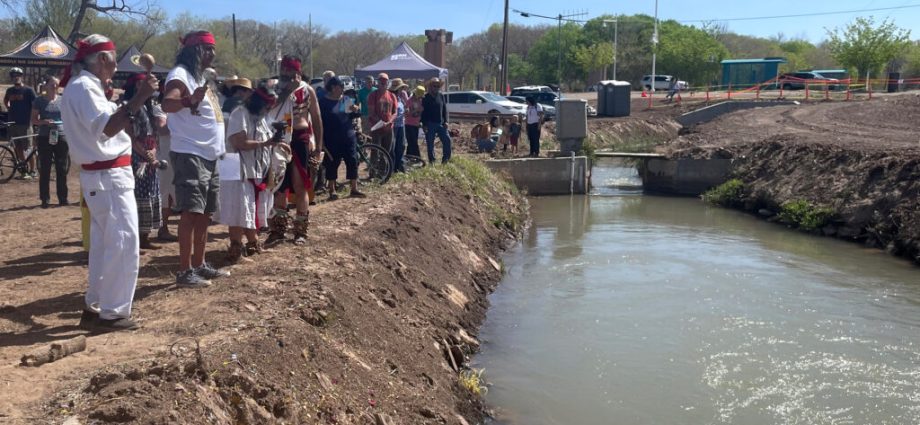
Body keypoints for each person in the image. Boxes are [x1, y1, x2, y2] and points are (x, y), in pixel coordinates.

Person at [60, 34, 159, 330]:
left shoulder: (82, 87)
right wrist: (140, 97)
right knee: (123, 243)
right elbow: (108, 128)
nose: (117, 63)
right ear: (103, 59)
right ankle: (113, 312)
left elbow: (107, 126)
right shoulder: (85, 88)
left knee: (106, 246)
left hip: (102, 176)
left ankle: (96, 306)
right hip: (108, 177)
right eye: (114, 57)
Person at [161, 30, 229, 287]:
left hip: (208, 154)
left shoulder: (198, 77)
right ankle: (184, 271)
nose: (212, 53)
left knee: (205, 212)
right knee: (190, 212)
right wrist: (189, 100)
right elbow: (168, 104)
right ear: (193, 50)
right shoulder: (179, 75)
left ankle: (200, 264)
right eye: (207, 48)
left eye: (213, 48)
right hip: (191, 152)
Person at [222, 85, 288, 263]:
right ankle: (235, 250)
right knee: (238, 209)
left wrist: (278, 144)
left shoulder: (263, 117)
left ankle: (253, 244)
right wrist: (265, 144)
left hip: (256, 170)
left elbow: (266, 140)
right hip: (237, 168)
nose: (268, 109)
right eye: (267, 105)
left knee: (249, 208)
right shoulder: (239, 113)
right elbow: (239, 142)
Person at [266, 55, 323, 246]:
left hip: (300, 138)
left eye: (290, 72)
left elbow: (316, 118)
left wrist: (318, 147)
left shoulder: (307, 90)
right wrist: (283, 93)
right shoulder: (273, 87)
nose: (286, 75)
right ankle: (278, 230)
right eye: (284, 71)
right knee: (279, 184)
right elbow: (264, 109)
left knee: (300, 184)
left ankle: (300, 230)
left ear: (298, 73)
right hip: (279, 138)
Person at [123, 73, 163, 251]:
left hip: (149, 156)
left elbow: (154, 134)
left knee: (150, 195)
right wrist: (145, 154)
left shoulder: (149, 107)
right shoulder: (127, 108)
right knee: (137, 197)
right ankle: (135, 239)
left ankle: (145, 237)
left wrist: (153, 153)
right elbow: (129, 136)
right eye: (140, 84)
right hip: (135, 156)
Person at [318, 77, 365, 199]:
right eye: (341, 87)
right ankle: (332, 190)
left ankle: (354, 188)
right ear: (333, 88)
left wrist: (356, 109)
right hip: (331, 138)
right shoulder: (323, 102)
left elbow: (354, 115)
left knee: (352, 160)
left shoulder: (345, 100)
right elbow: (319, 122)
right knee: (332, 163)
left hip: (348, 136)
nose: (343, 90)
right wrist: (320, 139)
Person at [31, 76, 69, 208]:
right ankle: (45, 199)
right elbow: (34, 120)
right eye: (52, 84)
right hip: (44, 136)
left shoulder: (63, 100)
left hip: (61, 135)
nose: (54, 87)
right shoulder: (39, 101)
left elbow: (68, 117)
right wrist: (43, 122)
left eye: (56, 84)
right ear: (46, 86)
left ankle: (63, 197)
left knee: (62, 167)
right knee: (45, 168)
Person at [153, 84, 177, 242]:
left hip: (180, 154)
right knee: (166, 192)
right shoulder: (159, 108)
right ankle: (163, 228)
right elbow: (162, 129)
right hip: (166, 157)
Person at [4, 67, 37, 179]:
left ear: (21, 77)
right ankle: (24, 170)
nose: (15, 77)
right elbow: (6, 100)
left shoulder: (29, 90)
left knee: (28, 148)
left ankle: (33, 171)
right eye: (13, 76)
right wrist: (8, 108)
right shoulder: (10, 91)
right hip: (13, 123)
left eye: (18, 75)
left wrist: (34, 117)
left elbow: (35, 105)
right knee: (18, 148)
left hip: (25, 123)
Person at [421, 77, 451, 164]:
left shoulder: (441, 96)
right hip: (430, 124)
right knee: (430, 144)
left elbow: (444, 110)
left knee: (447, 140)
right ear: (430, 86)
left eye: (438, 86)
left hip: (441, 123)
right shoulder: (425, 97)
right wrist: (424, 124)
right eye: (434, 86)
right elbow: (423, 113)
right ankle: (432, 161)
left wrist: (446, 121)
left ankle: (446, 160)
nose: (436, 87)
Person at [367, 73, 396, 154]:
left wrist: (389, 122)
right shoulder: (373, 95)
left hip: (389, 128)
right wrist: (382, 123)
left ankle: (384, 167)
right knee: (375, 152)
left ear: (388, 83)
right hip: (376, 128)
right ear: (378, 83)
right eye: (381, 81)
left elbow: (395, 112)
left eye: (385, 81)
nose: (383, 83)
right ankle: (373, 167)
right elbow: (371, 113)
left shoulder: (392, 95)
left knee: (386, 153)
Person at [389, 78, 409, 172]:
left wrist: (405, 111)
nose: (402, 90)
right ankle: (392, 167)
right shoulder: (391, 98)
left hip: (401, 124)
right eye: (401, 88)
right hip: (394, 126)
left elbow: (402, 109)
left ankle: (399, 166)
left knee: (401, 145)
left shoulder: (400, 98)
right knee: (393, 147)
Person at [405, 85, 424, 158]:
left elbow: (421, 112)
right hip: (409, 123)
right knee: (413, 142)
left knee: (412, 141)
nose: (420, 97)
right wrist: (416, 110)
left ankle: (409, 156)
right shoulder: (409, 101)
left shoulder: (420, 101)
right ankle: (418, 157)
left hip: (416, 124)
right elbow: (407, 113)